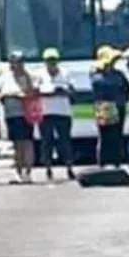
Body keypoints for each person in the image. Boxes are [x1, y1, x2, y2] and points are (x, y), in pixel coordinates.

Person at [0, 52, 37, 183]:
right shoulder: (5, 77)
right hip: (11, 114)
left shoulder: (29, 76)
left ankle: (28, 171)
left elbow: (33, 91)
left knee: (27, 142)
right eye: (13, 62)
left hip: (26, 113)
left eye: (18, 62)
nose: (15, 65)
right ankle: (19, 172)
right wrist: (4, 95)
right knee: (17, 144)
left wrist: (22, 94)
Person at [36, 48, 76, 181]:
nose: (52, 64)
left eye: (54, 61)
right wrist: (49, 93)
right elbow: (35, 92)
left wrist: (62, 91)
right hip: (46, 113)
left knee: (65, 142)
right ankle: (48, 168)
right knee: (46, 142)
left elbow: (72, 91)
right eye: (49, 61)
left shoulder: (66, 73)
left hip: (63, 112)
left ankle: (69, 167)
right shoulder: (40, 74)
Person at [90, 46, 129, 170]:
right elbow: (99, 88)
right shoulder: (96, 75)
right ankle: (102, 162)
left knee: (117, 135)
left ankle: (116, 162)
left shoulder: (118, 74)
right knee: (105, 137)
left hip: (119, 106)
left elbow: (127, 88)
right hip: (104, 107)